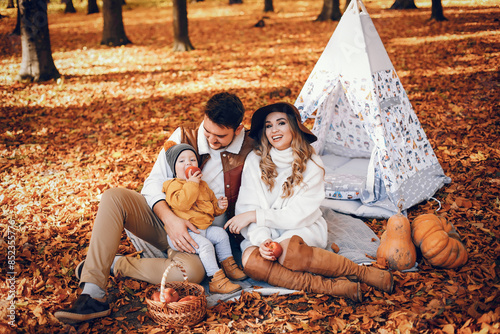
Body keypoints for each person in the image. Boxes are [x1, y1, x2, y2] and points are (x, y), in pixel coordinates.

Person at [54, 92, 255, 324]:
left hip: (202, 239)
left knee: (191, 275)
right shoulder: (184, 135)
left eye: (220, 136)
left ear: (238, 130)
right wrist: (170, 220)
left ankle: (116, 263)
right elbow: (151, 184)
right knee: (114, 197)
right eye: (207, 131)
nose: (210, 139)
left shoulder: (249, 149)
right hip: (163, 223)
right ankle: (92, 293)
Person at [224, 102, 394, 302]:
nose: (274, 130)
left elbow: (297, 214)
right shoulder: (255, 160)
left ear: (294, 127)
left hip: (301, 227)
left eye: (281, 123)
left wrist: (256, 216)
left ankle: (362, 273)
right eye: (269, 126)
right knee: (251, 263)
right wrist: (263, 241)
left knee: (289, 252)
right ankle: (334, 288)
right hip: (264, 231)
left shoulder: (311, 163)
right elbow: (247, 205)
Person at [162, 140, 247, 294]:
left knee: (221, 234)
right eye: (181, 161)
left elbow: (210, 208)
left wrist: (219, 206)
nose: (188, 163)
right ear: (174, 168)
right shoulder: (172, 185)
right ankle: (216, 280)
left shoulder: (203, 185)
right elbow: (182, 204)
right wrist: (191, 184)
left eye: (192, 159)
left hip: (204, 229)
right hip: (184, 235)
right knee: (206, 246)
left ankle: (228, 267)